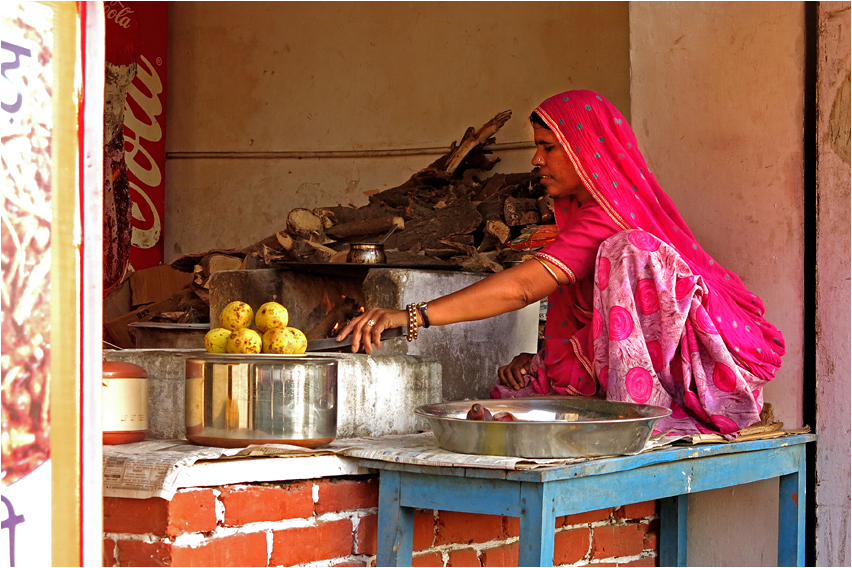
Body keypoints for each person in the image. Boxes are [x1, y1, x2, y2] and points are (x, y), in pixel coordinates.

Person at [336, 89, 785, 438]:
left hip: (706, 376)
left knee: (628, 252)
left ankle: (645, 413)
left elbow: (523, 288)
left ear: (585, 151)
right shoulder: (585, 214)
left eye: (549, 148)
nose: (536, 160)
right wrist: (550, 359)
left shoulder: (610, 222)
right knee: (507, 400)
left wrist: (411, 314)